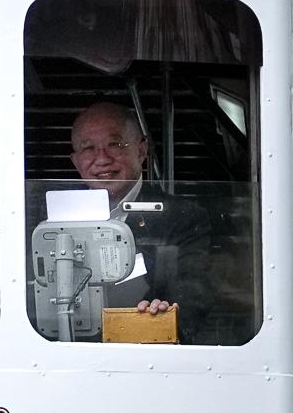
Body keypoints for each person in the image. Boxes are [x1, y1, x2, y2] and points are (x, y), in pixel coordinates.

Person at [65, 98, 213, 319]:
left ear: (142, 151)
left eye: (115, 144)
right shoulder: (57, 218)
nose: (102, 159)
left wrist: (162, 314)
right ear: (76, 162)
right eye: (88, 148)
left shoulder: (182, 217)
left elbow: (191, 297)